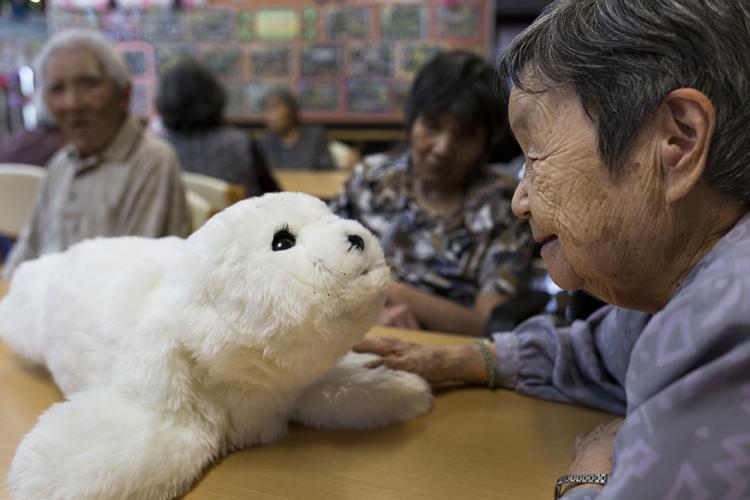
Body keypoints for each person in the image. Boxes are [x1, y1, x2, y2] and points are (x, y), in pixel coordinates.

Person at [356, 0, 750, 498]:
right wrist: (453, 361)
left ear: (677, 141)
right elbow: (595, 354)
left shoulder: (733, 321)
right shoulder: (679, 284)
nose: (521, 200)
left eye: (534, 153)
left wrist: (591, 472)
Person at [330, 50, 535, 336]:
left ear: (486, 143)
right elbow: (316, 269)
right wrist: (371, 313)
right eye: (432, 126)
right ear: (413, 120)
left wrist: (394, 294)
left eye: (463, 136)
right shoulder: (372, 179)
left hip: (449, 351)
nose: (442, 148)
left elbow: (490, 322)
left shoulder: (503, 205)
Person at [3, 29, 191, 279]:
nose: (72, 103)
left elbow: (128, 283)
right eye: (57, 89)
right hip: (43, 308)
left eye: (88, 84)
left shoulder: (151, 160)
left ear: (123, 94)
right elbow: (24, 257)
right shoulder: (61, 164)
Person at [155, 59, 279, 197]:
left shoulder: (159, 152)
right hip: (238, 218)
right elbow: (275, 197)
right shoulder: (241, 144)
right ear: (214, 95)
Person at [258, 87, 336, 171]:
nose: (269, 115)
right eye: (266, 109)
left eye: (275, 108)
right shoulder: (265, 143)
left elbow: (328, 173)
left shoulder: (315, 137)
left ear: (292, 110)